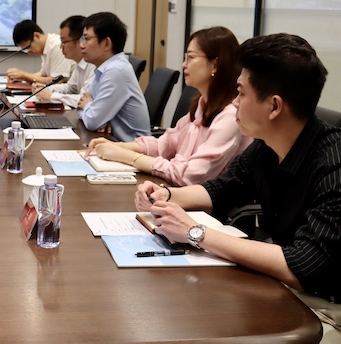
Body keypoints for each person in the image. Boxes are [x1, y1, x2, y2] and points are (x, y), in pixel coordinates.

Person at [135, 33, 341, 340]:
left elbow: (302, 267)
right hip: (284, 288)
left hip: (324, 309)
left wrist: (196, 233)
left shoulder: (333, 164)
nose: (234, 103)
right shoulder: (266, 146)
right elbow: (220, 189)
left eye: (241, 93)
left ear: (274, 106)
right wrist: (166, 194)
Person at [86, 26, 251, 186]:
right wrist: (118, 146)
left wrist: (128, 156)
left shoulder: (229, 118)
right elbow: (164, 144)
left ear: (214, 64)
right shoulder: (202, 106)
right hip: (175, 193)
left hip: (200, 202)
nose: (184, 64)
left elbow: (189, 176)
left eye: (191, 58)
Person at [77, 12, 150, 141]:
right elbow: (82, 102)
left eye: (86, 39)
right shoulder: (105, 68)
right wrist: (95, 113)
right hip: (113, 141)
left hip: (132, 148)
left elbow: (92, 120)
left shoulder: (115, 70)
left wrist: (89, 107)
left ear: (106, 43)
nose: (81, 45)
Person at [34, 15, 96, 107]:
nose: (60, 47)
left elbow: (84, 99)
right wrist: (46, 89)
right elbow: (69, 88)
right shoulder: (80, 64)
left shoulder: (94, 65)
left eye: (64, 42)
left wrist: (52, 96)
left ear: (80, 41)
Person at [6, 20, 74, 85]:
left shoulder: (57, 45)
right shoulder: (45, 47)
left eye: (28, 47)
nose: (28, 52)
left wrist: (24, 76)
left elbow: (57, 81)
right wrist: (21, 78)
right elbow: (43, 74)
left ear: (36, 36)